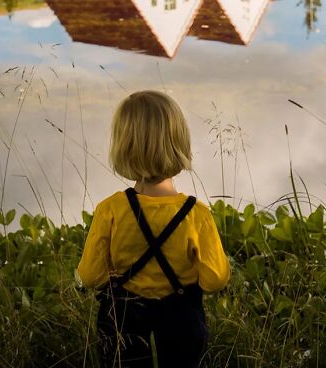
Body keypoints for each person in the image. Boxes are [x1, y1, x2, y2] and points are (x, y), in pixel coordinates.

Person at [77, 90, 230, 368]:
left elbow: (90, 276)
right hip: (182, 317)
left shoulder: (110, 210)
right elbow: (215, 280)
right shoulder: (197, 215)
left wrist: (108, 276)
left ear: (123, 146)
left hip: (123, 318)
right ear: (179, 143)